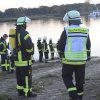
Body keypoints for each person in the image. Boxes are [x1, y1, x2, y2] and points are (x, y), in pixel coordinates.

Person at [57, 10, 91, 100]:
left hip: (68, 61)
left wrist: (61, 55)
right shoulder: (85, 30)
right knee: (80, 82)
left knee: (67, 77)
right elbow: (88, 45)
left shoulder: (67, 30)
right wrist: (88, 56)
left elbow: (60, 46)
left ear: (70, 20)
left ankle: (74, 97)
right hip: (81, 61)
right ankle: (79, 97)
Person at [14, 16, 37, 97]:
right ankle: (27, 93)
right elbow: (29, 46)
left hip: (17, 61)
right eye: (26, 24)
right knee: (27, 77)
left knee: (19, 77)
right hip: (24, 60)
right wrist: (31, 52)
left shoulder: (14, 32)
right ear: (23, 24)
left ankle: (20, 92)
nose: (26, 25)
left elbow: (11, 46)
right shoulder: (24, 33)